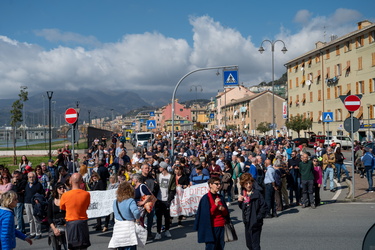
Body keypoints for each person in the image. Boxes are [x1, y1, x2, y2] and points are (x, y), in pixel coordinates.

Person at [194, 177, 229, 250]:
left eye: (219, 184)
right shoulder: (205, 198)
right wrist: (215, 205)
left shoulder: (220, 197)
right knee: (211, 247)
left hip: (221, 225)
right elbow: (205, 215)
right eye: (216, 184)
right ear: (210, 185)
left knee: (220, 247)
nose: (219, 186)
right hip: (211, 227)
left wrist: (223, 209)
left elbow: (226, 213)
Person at [60, 173, 91, 250]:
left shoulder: (65, 195)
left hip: (71, 223)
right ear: (81, 181)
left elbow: (62, 208)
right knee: (83, 247)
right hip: (82, 222)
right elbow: (86, 206)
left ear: (70, 181)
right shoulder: (86, 194)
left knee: (72, 247)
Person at [108, 181, 141, 250]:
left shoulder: (115, 201)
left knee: (120, 247)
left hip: (118, 227)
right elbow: (136, 212)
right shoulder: (130, 200)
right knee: (130, 246)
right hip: (128, 226)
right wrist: (137, 220)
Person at [238, 173, 267, 250]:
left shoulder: (257, 193)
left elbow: (264, 206)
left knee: (255, 245)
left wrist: (258, 218)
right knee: (249, 244)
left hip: (255, 221)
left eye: (250, 183)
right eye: (246, 183)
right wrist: (240, 202)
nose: (248, 185)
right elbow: (243, 207)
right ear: (243, 184)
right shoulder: (243, 194)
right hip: (247, 221)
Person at [154, 161, 174, 240]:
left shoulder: (170, 177)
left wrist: (170, 199)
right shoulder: (158, 176)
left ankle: (167, 230)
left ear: (164, 167)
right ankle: (158, 232)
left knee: (167, 216)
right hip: (159, 199)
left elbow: (172, 189)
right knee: (158, 217)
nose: (159, 168)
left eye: (160, 167)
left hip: (166, 199)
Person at [24, 172, 45, 239]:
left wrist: (38, 200)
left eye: (32, 177)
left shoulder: (38, 185)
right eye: (30, 177)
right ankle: (32, 232)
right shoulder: (26, 185)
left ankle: (38, 233)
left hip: (35, 204)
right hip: (27, 203)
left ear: (35, 177)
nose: (31, 178)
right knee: (30, 219)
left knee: (36, 218)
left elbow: (42, 194)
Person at [47, 182, 67, 250]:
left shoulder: (67, 200)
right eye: (60, 188)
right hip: (55, 225)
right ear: (56, 189)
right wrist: (54, 229)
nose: (62, 189)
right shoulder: (51, 201)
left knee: (67, 247)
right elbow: (49, 217)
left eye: (64, 187)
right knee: (56, 248)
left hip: (65, 225)